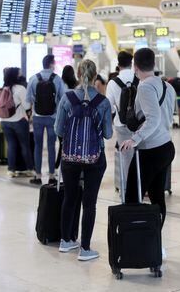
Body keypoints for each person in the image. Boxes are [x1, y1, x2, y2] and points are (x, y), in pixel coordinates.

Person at [55, 59, 112, 261]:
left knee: (69, 198)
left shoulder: (67, 98)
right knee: (90, 203)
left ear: (78, 75)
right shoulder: (103, 102)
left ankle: (65, 241)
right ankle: (85, 249)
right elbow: (107, 134)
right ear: (95, 76)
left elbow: (58, 129)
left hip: (70, 157)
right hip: (95, 158)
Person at [121, 48, 175, 246]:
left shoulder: (144, 86)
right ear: (153, 64)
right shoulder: (167, 86)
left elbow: (153, 119)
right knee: (156, 196)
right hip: (166, 146)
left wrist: (135, 139)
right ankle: (154, 242)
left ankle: (135, 242)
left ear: (135, 67)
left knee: (132, 196)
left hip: (150, 149)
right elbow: (167, 117)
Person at [26, 55, 65, 185]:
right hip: (52, 117)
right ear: (52, 64)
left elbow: (28, 100)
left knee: (38, 146)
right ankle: (52, 176)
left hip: (37, 117)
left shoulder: (33, 79)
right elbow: (62, 98)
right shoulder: (57, 79)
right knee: (51, 146)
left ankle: (37, 175)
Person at [106, 51, 136, 191]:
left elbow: (109, 107)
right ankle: (141, 188)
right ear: (132, 63)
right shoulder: (139, 79)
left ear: (118, 65)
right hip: (140, 125)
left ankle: (126, 192)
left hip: (122, 125)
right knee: (142, 157)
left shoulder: (113, 83)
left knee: (125, 160)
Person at [0, 67, 33, 178]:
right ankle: (29, 169)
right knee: (25, 145)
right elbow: (27, 106)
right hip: (19, 121)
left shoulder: (3, 89)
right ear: (15, 76)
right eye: (19, 74)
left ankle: (11, 170)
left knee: (11, 145)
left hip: (4, 121)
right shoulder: (20, 89)